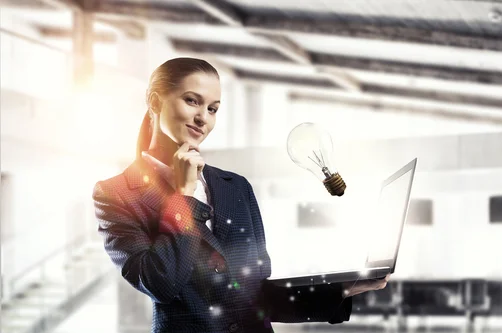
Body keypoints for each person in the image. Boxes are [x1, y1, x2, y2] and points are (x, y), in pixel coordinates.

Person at [92, 57, 390, 333]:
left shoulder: (235, 187)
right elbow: (160, 283)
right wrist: (183, 196)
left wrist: (343, 287)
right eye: (192, 101)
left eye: (213, 109)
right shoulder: (116, 194)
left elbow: (256, 296)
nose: (202, 118)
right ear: (155, 101)